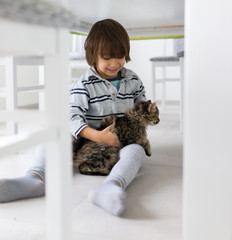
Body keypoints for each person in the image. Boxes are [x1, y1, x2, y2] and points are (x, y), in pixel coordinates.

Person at [0, 19, 147, 217]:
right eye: (106, 58)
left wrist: (141, 119)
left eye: (120, 56)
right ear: (92, 56)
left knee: (136, 152)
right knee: (54, 138)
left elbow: (141, 107)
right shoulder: (83, 83)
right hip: (85, 136)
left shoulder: (133, 80)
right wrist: (98, 136)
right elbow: (72, 116)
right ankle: (34, 177)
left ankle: (112, 186)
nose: (114, 63)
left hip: (120, 139)